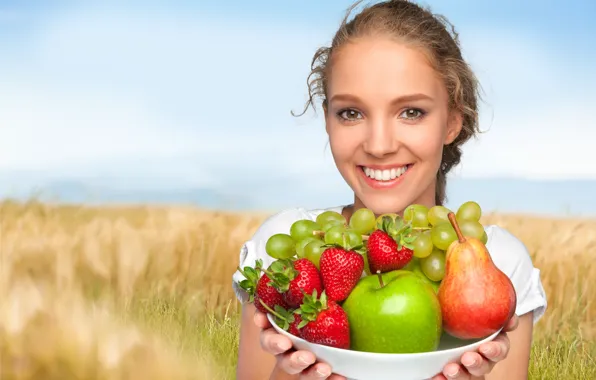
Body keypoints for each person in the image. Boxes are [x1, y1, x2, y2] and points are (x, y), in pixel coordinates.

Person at [232, 1, 548, 379]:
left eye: (411, 112)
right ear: (328, 121)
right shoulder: (288, 254)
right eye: (351, 113)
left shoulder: (499, 263)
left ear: (451, 122)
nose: (379, 145)